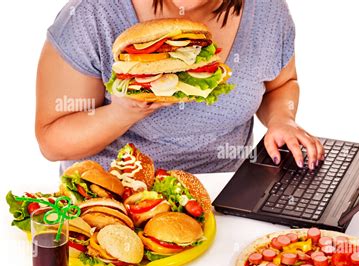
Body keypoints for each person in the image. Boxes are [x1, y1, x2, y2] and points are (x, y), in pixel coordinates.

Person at [36, 0, 324, 173]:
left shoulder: (267, 11)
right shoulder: (93, 15)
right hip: (119, 202)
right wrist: (124, 112)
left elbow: (281, 84)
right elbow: (52, 141)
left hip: (224, 199)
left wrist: (282, 120)